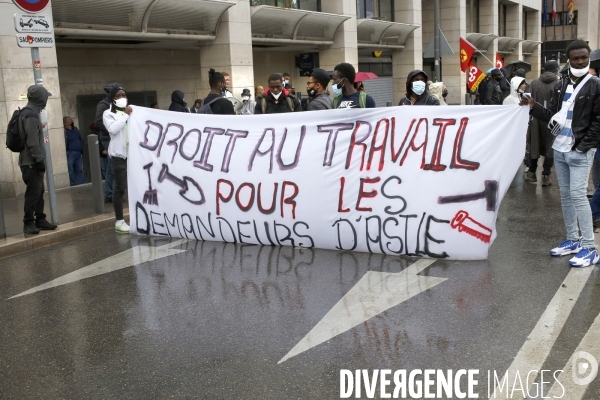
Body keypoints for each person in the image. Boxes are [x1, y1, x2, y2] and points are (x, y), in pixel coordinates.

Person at [523, 40, 600, 267]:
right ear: (569, 60)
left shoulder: (595, 85)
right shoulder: (560, 85)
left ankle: (590, 247)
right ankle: (573, 240)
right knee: (566, 197)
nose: (580, 61)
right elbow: (553, 117)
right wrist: (534, 106)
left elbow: (598, 122)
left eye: (584, 58)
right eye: (575, 58)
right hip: (560, 149)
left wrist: (582, 147)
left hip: (579, 151)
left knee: (578, 196)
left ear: (588, 59)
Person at [19, 85, 57, 234]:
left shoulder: (28, 113)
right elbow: (33, 142)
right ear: (41, 98)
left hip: (29, 161)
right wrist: (39, 160)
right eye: (45, 97)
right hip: (31, 162)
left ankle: (40, 219)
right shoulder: (31, 115)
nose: (46, 99)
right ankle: (28, 222)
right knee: (33, 193)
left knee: (38, 192)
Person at [103, 85, 133, 234]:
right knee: (120, 188)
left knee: (134, 187)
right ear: (113, 98)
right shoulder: (108, 114)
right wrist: (126, 116)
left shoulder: (131, 112)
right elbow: (113, 129)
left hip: (133, 156)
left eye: (124, 95)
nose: (122, 98)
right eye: (118, 95)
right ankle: (119, 221)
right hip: (118, 156)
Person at [525, 60, 560, 186]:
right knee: (550, 145)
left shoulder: (534, 83)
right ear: (556, 70)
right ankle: (546, 175)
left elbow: (526, 99)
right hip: (553, 119)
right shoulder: (559, 83)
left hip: (536, 118)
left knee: (535, 143)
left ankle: (531, 173)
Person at [95, 82, 119, 203]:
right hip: (108, 138)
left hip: (116, 138)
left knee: (115, 166)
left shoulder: (116, 104)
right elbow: (98, 122)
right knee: (111, 167)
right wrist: (112, 129)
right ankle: (109, 193)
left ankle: (113, 192)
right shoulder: (103, 105)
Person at [63, 116, 84, 186]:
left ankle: (82, 183)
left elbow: (80, 138)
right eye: (70, 120)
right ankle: (73, 184)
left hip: (78, 152)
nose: (72, 121)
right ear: (65, 122)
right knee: (71, 170)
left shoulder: (75, 129)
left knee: (79, 169)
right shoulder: (64, 131)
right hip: (70, 153)